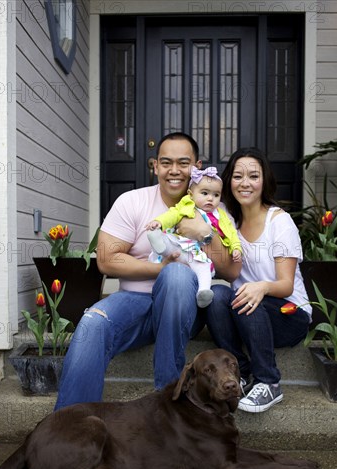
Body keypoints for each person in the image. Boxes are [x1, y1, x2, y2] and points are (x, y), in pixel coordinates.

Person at [54, 132, 241, 410]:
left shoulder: (215, 206)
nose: (174, 171)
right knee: (93, 323)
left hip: (185, 309)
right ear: (155, 166)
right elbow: (106, 259)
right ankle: (70, 423)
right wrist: (160, 267)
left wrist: (205, 234)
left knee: (177, 277)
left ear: (197, 166)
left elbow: (232, 270)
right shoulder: (132, 202)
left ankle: (167, 398)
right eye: (166, 163)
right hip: (135, 303)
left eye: (183, 163)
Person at [205, 147, 312, 413]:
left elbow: (286, 284)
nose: (245, 183)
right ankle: (241, 371)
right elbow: (225, 269)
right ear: (229, 180)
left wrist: (261, 287)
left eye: (253, 176)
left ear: (264, 181)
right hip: (248, 311)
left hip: (289, 313)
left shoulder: (280, 221)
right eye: (238, 176)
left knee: (248, 296)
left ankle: (269, 381)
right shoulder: (228, 220)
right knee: (217, 296)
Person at [146, 166, 242, 308]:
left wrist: (236, 248)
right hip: (180, 244)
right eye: (204, 193)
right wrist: (159, 222)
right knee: (169, 242)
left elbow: (231, 233)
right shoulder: (186, 206)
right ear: (191, 195)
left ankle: (203, 292)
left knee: (204, 267)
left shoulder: (220, 215)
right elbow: (171, 215)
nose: (210, 198)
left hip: (197, 253)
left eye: (216, 195)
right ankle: (158, 242)